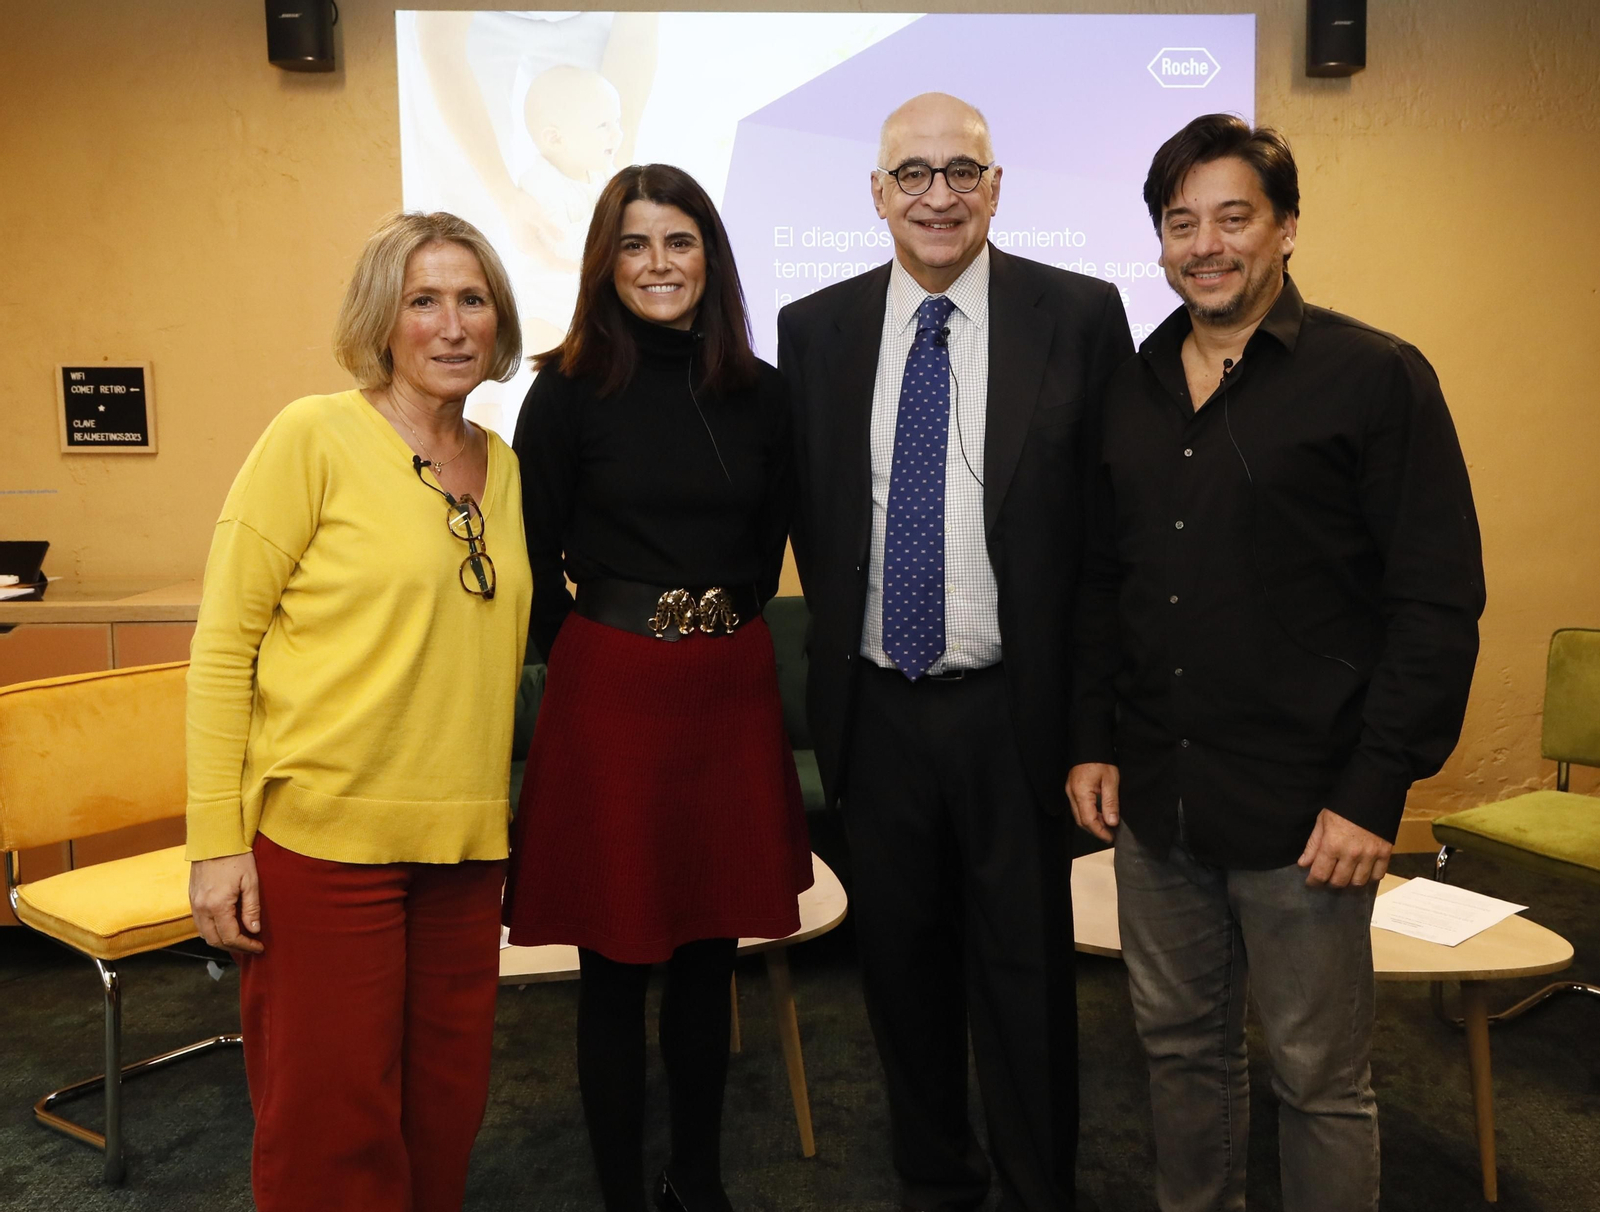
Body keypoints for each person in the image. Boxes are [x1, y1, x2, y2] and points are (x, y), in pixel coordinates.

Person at [1067, 114, 1485, 1212]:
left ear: (1286, 227)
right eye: (1181, 223)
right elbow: (1103, 583)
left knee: (1319, 1081)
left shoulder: (1374, 377)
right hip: (1159, 800)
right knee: (1179, 1055)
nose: (1205, 245)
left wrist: (1373, 791)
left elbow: (1435, 604)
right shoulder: (1129, 386)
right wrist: (1092, 741)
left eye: (1233, 218)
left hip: (1310, 816)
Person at [777, 93, 1133, 1212]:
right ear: (876, 194)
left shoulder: (1079, 315)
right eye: (914, 174)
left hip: (1012, 712)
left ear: (996, 186)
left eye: (962, 171)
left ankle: (1038, 1189)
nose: (939, 195)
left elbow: (1109, 543)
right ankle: (934, 1181)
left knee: (1026, 977)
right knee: (901, 972)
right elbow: (812, 514)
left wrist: (1094, 728)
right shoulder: (813, 329)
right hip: (875, 709)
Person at [185, 211, 533, 1212]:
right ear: (383, 319)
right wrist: (216, 843)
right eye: (424, 300)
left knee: (442, 1117)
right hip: (324, 846)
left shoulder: (504, 467)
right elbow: (223, 650)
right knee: (329, 1132)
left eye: (472, 300)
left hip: (462, 850)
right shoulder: (312, 437)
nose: (452, 325)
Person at [503, 163, 812, 1212]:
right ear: (606, 263)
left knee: (707, 951)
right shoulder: (565, 390)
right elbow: (533, 555)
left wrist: (706, 627)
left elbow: (767, 546)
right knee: (614, 960)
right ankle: (622, 1193)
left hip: (728, 688)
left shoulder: (763, 393)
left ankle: (698, 1180)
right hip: (613, 692)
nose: (658, 264)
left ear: (710, 258)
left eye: (678, 241)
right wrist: (605, 646)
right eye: (634, 245)